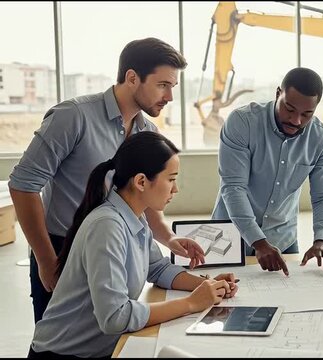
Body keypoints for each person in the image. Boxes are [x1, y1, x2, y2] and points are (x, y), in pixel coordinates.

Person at [8, 37, 205, 324]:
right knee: (63, 339)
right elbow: (23, 185)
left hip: (115, 245)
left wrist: (169, 238)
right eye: (163, 85)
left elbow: (143, 197)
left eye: (172, 87)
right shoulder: (73, 116)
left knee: (106, 332)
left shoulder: (146, 130)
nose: (170, 97)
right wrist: (46, 260)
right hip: (61, 250)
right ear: (132, 78)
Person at [28, 132, 238, 358]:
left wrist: (206, 286)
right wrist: (191, 303)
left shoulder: (134, 217)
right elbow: (114, 317)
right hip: (62, 354)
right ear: (141, 181)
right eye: (171, 179)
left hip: (98, 351)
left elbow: (158, 268)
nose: (175, 189)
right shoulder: (107, 226)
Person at [212, 67, 323, 276]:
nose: (296, 121)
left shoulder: (320, 139)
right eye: (289, 109)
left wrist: (322, 238)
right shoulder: (243, 122)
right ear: (278, 93)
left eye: (307, 114)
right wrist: (259, 242)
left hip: (283, 238)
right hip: (228, 237)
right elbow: (233, 187)